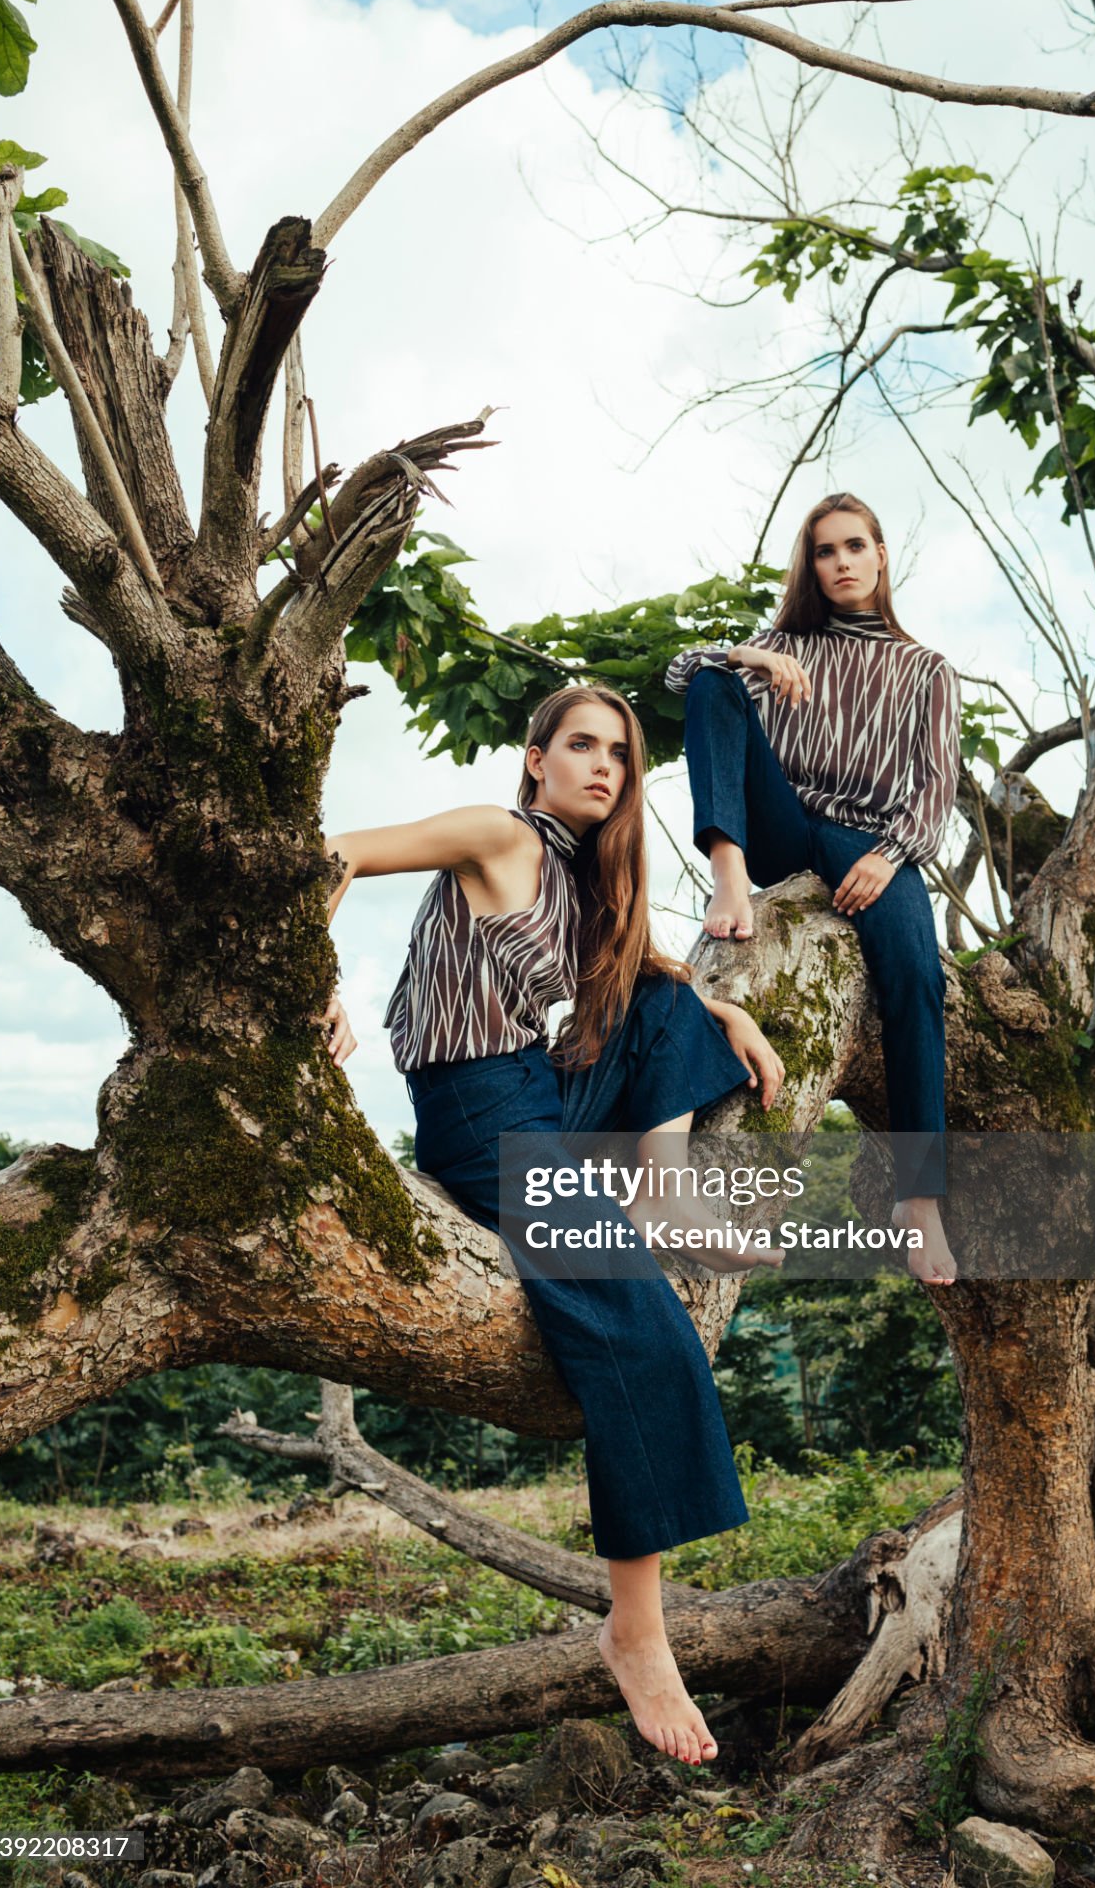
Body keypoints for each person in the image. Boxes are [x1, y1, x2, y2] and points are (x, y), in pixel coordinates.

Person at [319, 684, 786, 1766]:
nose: (603, 766)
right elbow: (334, 850)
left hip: (541, 1090)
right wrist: (316, 982)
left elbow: (648, 978)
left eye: (619, 754)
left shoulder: (586, 881)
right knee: (647, 1323)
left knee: (668, 993)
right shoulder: (494, 834)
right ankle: (637, 1628)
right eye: (582, 745)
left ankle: (662, 1185)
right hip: (480, 1115)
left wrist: (731, 1009)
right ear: (535, 759)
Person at [666, 491, 961, 1286]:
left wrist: (891, 854)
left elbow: (934, 789)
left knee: (916, 981)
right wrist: (750, 656)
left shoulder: (924, 669)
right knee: (712, 683)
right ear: (812, 565)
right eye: (825, 551)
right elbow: (680, 674)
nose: (840, 563)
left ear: (879, 555)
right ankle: (725, 874)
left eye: (853, 546)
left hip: (870, 840)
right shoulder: (783, 644)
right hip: (782, 827)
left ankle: (918, 1200)